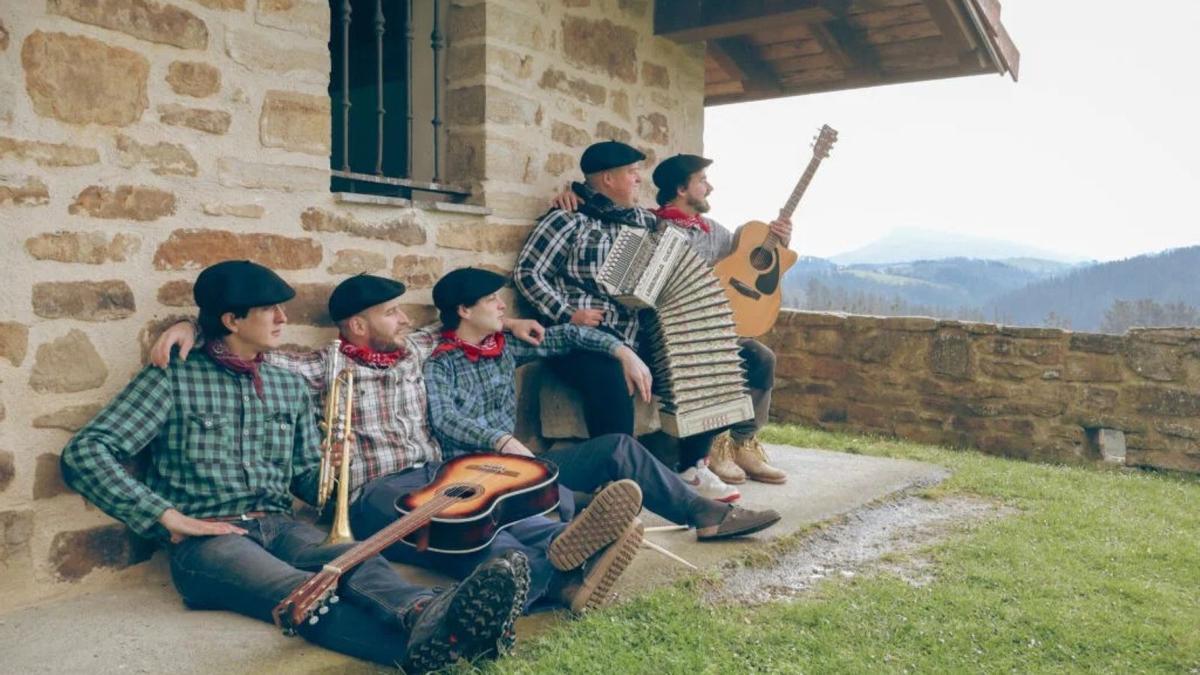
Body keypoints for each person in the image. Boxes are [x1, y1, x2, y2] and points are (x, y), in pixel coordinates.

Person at [62, 260, 529, 672]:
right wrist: (164, 517)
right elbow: (87, 451)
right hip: (209, 538)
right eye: (271, 310)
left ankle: (428, 613)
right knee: (304, 589)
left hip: (281, 524)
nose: (285, 318)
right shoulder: (173, 378)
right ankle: (430, 650)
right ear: (232, 319)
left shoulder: (285, 385)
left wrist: (333, 469)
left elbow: (307, 478)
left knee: (360, 562)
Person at [150, 274, 646, 615]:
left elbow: (465, 327)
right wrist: (193, 324)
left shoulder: (414, 347)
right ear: (359, 326)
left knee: (490, 514)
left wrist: (511, 322)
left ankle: (573, 553)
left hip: (434, 471)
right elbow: (241, 348)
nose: (406, 320)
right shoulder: (322, 365)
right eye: (392, 313)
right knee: (456, 527)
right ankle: (560, 579)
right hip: (374, 491)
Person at [420, 267, 780, 547]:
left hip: (523, 467)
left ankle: (705, 514)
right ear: (464, 310)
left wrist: (621, 352)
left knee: (618, 448)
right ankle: (581, 516)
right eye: (491, 300)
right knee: (569, 503)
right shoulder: (440, 363)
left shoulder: (504, 348)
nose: (502, 306)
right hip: (476, 479)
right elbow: (445, 418)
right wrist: (500, 440)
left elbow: (570, 335)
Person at [513, 141, 740, 501]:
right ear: (607, 178)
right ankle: (617, 483)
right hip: (580, 338)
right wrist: (567, 313)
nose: (639, 179)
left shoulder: (646, 221)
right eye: (632, 172)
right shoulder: (566, 219)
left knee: (705, 355)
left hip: (636, 335)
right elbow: (529, 273)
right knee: (609, 376)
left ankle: (694, 466)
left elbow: (683, 257)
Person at [648, 154, 789, 484]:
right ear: (682, 188)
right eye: (702, 181)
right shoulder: (651, 228)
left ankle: (742, 443)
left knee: (761, 357)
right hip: (668, 335)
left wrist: (780, 239)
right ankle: (712, 449)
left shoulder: (715, 232)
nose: (710, 187)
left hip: (712, 331)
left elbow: (752, 258)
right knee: (719, 360)